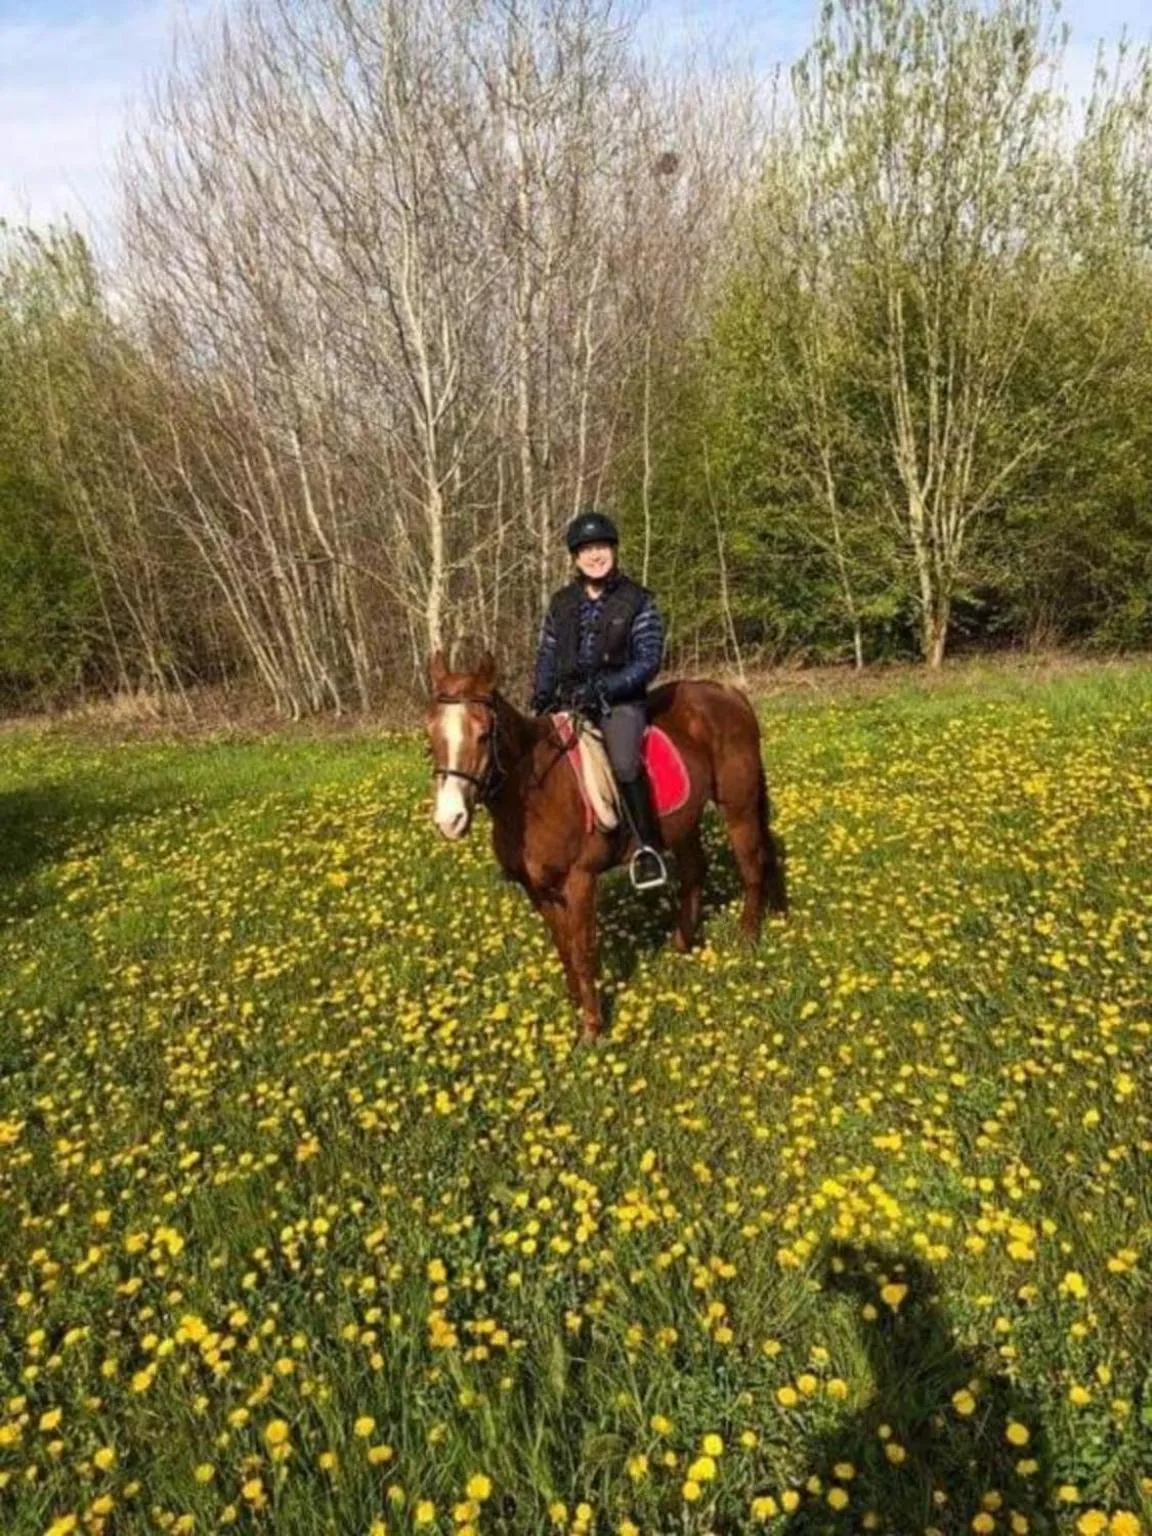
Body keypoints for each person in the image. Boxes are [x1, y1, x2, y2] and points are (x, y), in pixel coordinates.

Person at [530, 509, 668, 890]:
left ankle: (647, 848)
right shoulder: (561, 603)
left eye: (602, 547)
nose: (596, 555)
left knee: (624, 762)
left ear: (614, 551)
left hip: (619, 702)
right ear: (575, 557)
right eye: (587, 549)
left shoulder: (637, 601)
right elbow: (547, 653)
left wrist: (605, 688)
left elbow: (648, 660)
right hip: (569, 701)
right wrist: (541, 695)